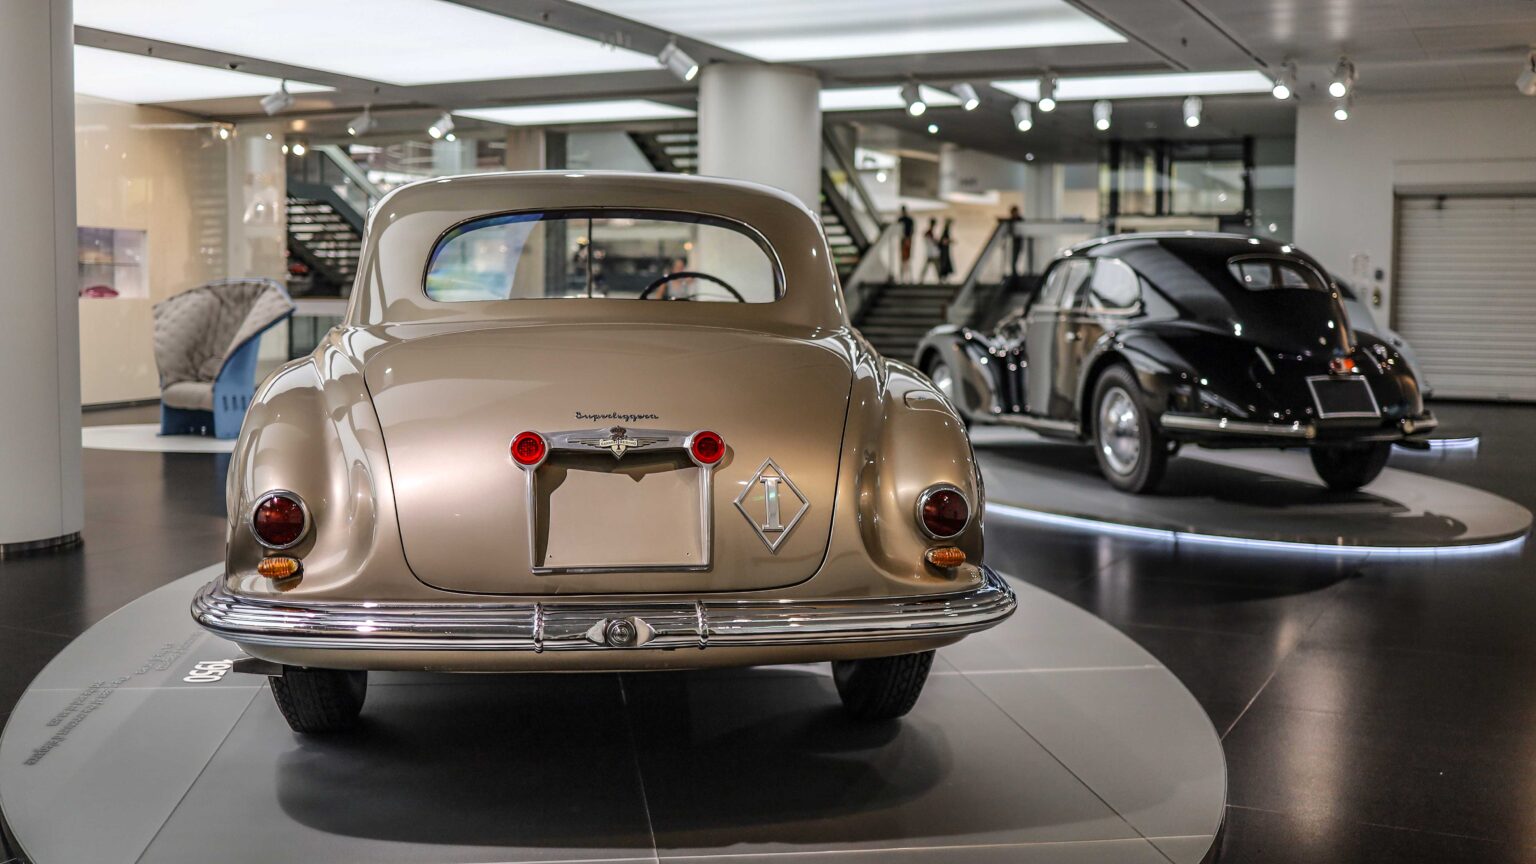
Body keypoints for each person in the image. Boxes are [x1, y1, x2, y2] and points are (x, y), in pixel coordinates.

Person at [1006, 204, 1025, 280]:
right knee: (1014, 259)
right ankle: (1014, 273)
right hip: (1014, 242)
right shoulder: (1011, 221)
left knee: (1017, 258)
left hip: (1019, 242)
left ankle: (1015, 273)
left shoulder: (1020, 220)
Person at [897, 205, 915, 283]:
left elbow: (911, 230)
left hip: (905, 239)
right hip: (904, 239)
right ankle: (904, 276)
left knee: (906, 258)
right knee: (904, 259)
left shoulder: (904, 220)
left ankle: (907, 276)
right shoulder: (904, 219)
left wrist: (907, 238)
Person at [937, 218, 955, 283]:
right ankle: (942, 278)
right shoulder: (945, 231)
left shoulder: (946, 231)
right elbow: (943, 241)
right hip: (944, 251)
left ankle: (944, 279)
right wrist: (950, 241)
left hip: (945, 250)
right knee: (944, 264)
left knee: (945, 264)